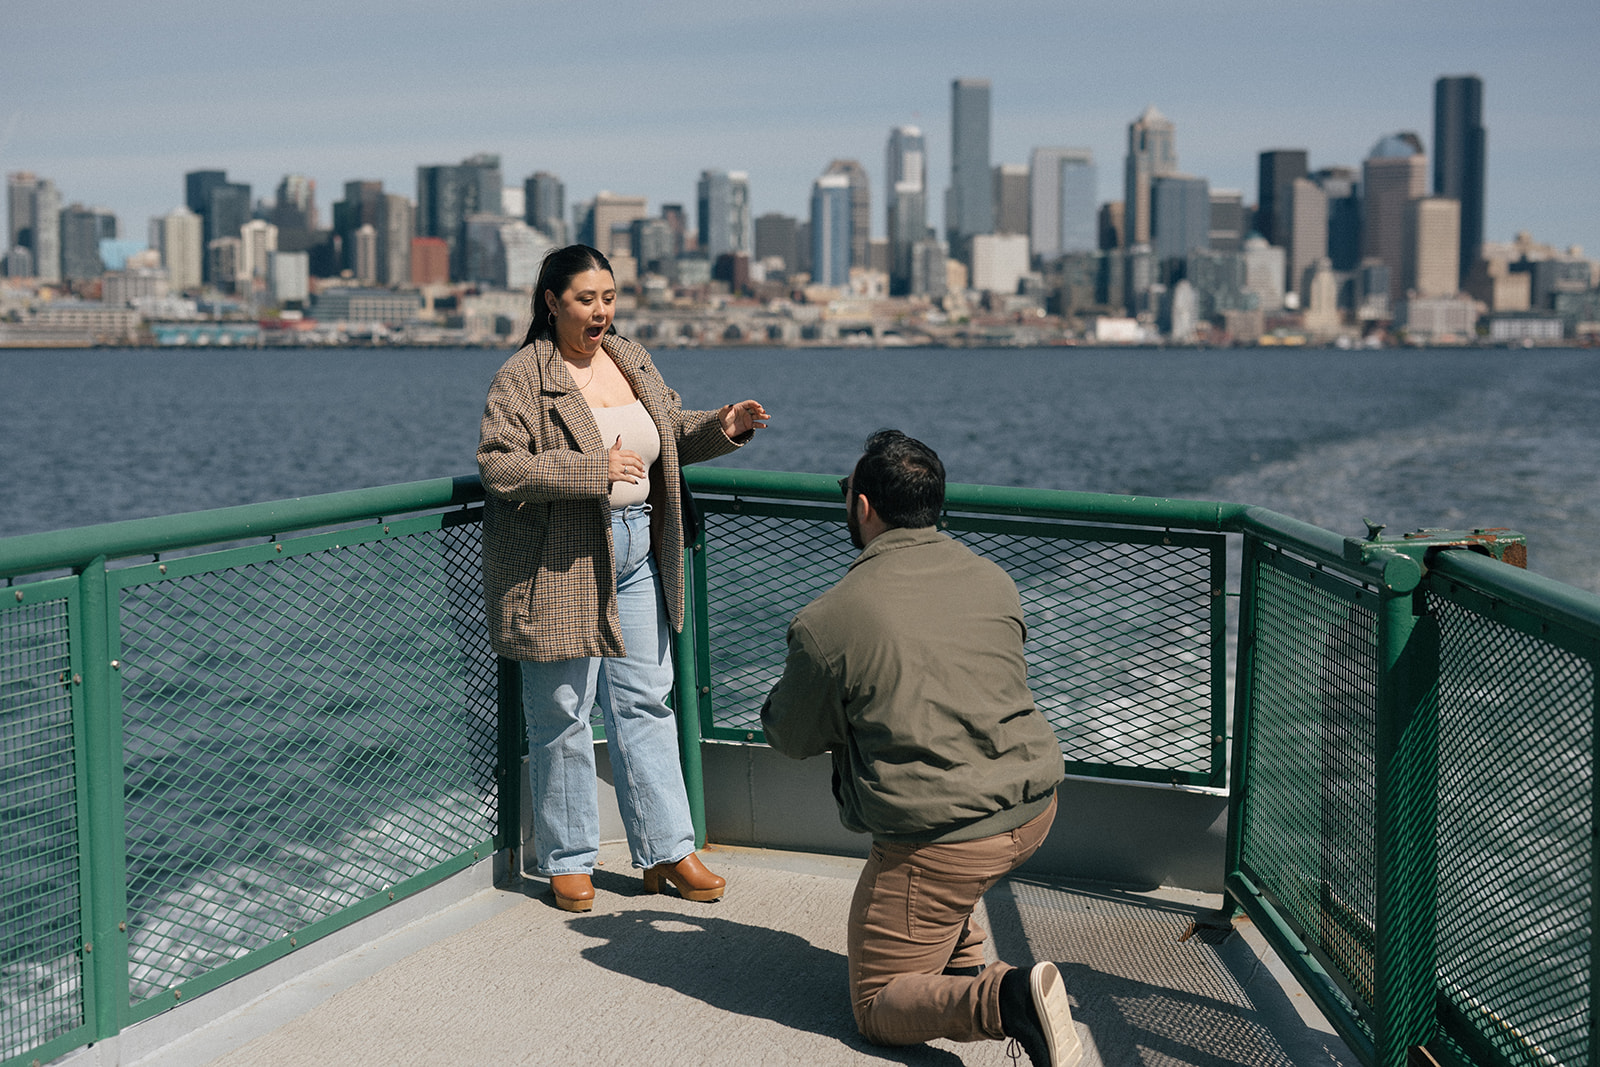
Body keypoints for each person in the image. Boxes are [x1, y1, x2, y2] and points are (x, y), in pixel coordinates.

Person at [760, 430, 1081, 1067]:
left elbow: (791, 736)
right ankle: (963, 964)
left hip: (946, 840)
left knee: (877, 1003)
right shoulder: (993, 579)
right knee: (940, 879)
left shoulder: (832, 619)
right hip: (1035, 806)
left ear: (863, 507)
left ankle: (1010, 999)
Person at [478, 244, 769, 912]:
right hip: (563, 556)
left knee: (644, 700)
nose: (601, 311)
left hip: (641, 545)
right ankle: (568, 858)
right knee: (563, 710)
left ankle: (668, 850)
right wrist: (590, 471)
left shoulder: (631, 358)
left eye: (608, 297)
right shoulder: (522, 377)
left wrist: (722, 426)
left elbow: (667, 433)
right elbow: (500, 467)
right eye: (586, 299)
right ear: (551, 304)